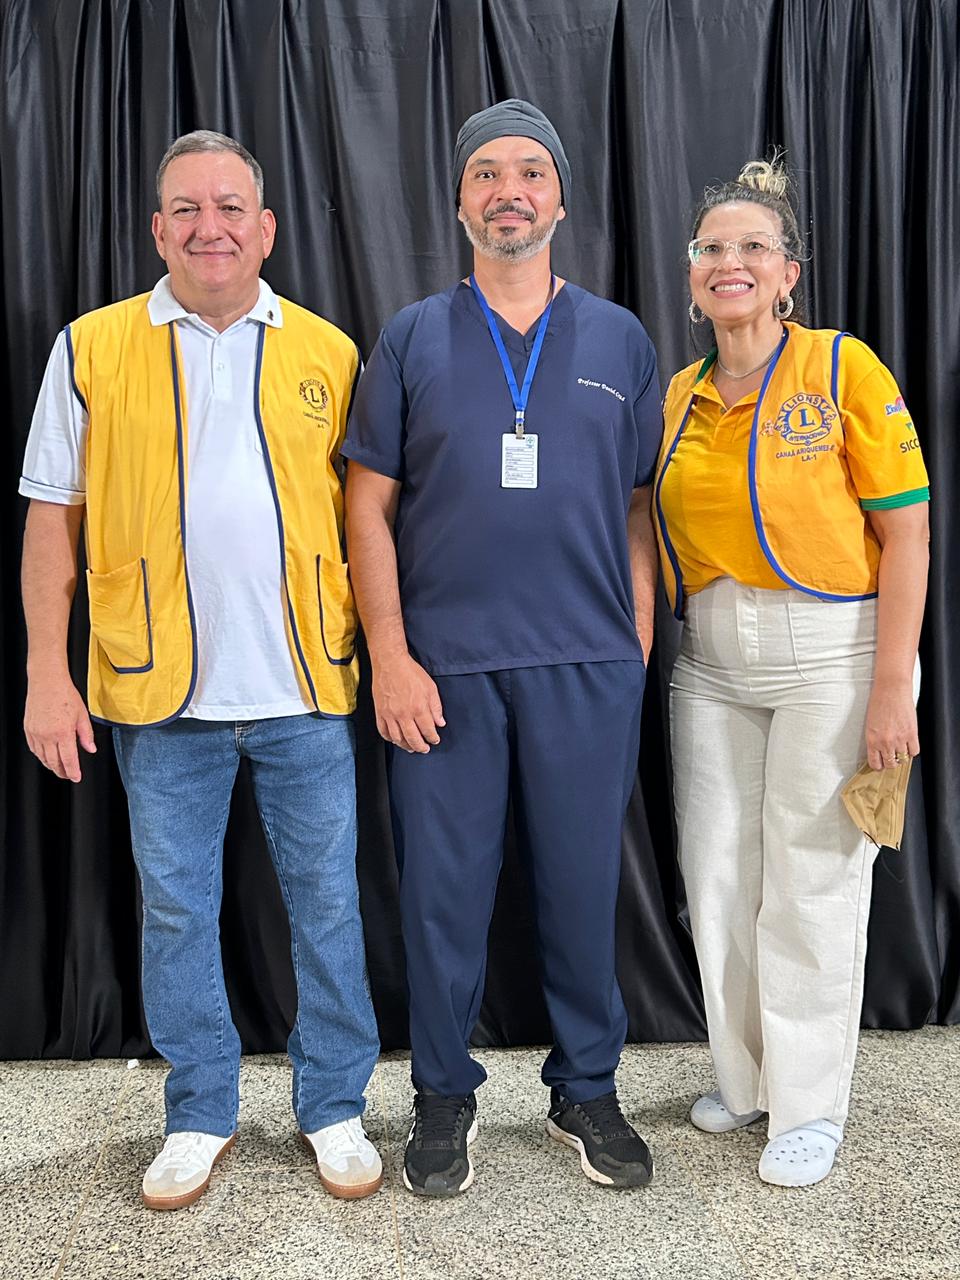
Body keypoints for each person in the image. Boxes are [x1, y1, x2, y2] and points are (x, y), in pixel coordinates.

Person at [19, 131, 382, 1208]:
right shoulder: (92, 347)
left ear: (265, 229)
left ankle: (334, 1104)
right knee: (176, 911)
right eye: (186, 208)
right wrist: (46, 672)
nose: (208, 226)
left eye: (230, 208)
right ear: (157, 229)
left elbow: (371, 520)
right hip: (155, 692)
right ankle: (199, 1110)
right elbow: (51, 520)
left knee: (329, 908)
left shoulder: (330, 351)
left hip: (305, 686)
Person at [343, 100, 661, 1196]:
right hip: (445, 671)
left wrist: (633, 642)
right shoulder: (411, 336)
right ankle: (442, 1096)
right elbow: (366, 504)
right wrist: (391, 656)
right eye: (487, 173)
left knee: (581, 889)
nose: (509, 190)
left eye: (531, 171)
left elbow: (638, 508)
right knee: (442, 899)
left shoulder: (620, 339)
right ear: (461, 202)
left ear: (561, 199)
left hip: (587, 665)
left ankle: (587, 1089)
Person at [655, 157, 930, 1186]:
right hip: (710, 658)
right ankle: (748, 1078)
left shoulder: (841, 368)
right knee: (718, 875)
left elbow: (908, 535)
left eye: (753, 247)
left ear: (788, 274)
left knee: (812, 880)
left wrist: (892, 685)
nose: (730, 262)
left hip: (833, 652)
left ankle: (810, 1106)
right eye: (713, 248)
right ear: (693, 273)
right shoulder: (680, 395)